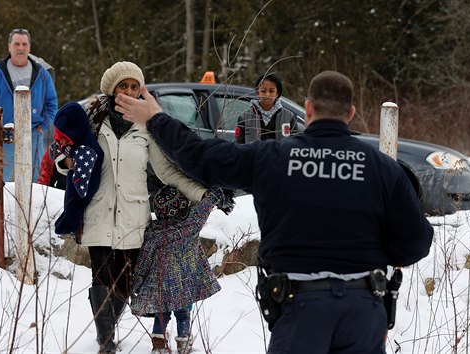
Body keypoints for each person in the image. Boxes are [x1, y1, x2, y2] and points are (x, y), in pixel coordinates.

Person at [115, 70, 434, 353]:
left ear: (307, 108)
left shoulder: (274, 158)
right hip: (364, 309)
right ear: (350, 112)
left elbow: (202, 157)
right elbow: (415, 243)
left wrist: (155, 118)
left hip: (299, 306)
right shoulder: (383, 169)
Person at [55, 61, 207, 354]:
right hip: (98, 210)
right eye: (122, 86)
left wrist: (199, 193)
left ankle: (108, 332)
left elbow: (166, 173)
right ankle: (106, 342)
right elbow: (63, 153)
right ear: (112, 90)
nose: (128, 91)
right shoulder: (92, 120)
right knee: (101, 276)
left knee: (123, 281)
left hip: (133, 214)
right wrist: (67, 163)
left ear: (140, 91)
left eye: (133, 87)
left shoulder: (146, 126)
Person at [131, 186, 234, 353]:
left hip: (160, 287)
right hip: (185, 285)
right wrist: (218, 191)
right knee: (183, 314)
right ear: (182, 206)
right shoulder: (190, 225)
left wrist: (137, 283)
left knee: (162, 315)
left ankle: (159, 344)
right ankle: (183, 343)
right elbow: (204, 208)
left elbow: (143, 262)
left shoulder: (154, 234)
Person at [0, 28, 58, 183]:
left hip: (33, 133)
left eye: (24, 44)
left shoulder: (41, 73)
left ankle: (31, 208)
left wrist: (44, 125)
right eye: (17, 44)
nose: (21, 48)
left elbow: (52, 103)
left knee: (36, 180)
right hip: (3, 134)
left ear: (29, 47)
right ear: (9, 46)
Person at [52, 102, 104, 241]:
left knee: (76, 202)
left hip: (87, 182)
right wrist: (65, 162)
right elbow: (59, 153)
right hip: (77, 178)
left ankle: (69, 223)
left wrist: (80, 183)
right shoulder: (96, 111)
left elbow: (86, 157)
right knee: (71, 201)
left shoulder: (85, 146)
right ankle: (68, 221)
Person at [235, 73, 298, 144]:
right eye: (263, 91)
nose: (267, 95)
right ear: (257, 92)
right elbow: (239, 146)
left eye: (271, 91)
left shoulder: (289, 117)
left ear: (277, 93)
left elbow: (294, 145)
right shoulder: (244, 117)